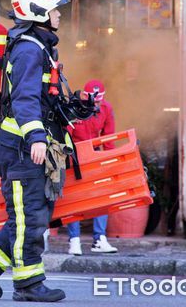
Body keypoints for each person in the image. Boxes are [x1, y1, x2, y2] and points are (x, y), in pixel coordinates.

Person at [0, 0, 73, 303]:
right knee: (28, 220)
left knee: (33, 216)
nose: (58, 15)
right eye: (54, 9)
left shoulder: (38, 46)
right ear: (39, 11)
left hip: (24, 148)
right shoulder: (29, 49)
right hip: (23, 151)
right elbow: (25, 100)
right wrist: (38, 137)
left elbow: (39, 98)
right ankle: (27, 285)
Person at [66, 79, 118, 255]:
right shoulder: (75, 108)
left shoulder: (106, 108)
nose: (95, 105)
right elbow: (67, 135)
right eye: (93, 101)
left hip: (95, 155)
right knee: (75, 199)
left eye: (98, 101)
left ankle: (100, 239)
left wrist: (110, 161)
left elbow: (108, 137)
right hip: (76, 156)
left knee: (101, 196)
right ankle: (74, 240)